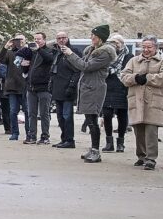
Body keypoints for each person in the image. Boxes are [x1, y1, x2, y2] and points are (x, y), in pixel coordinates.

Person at [60, 24, 116, 163]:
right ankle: (93, 148)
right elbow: (80, 65)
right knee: (90, 120)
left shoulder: (103, 53)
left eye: (94, 36)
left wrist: (70, 54)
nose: (91, 38)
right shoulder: (91, 50)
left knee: (92, 120)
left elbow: (86, 66)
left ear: (100, 38)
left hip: (95, 88)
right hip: (87, 87)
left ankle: (96, 151)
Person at [119, 36, 163, 170]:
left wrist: (147, 79)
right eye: (144, 47)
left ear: (155, 48)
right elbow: (124, 76)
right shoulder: (133, 61)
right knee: (139, 130)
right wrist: (136, 78)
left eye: (149, 47)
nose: (146, 49)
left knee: (151, 131)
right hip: (136, 100)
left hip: (154, 101)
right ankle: (141, 156)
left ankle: (151, 159)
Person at [101, 34, 133, 153]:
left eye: (117, 43)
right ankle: (109, 143)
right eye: (112, 43)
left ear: (122, 44)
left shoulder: (129, 56)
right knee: (107, 115)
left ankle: (121, 143)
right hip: (108, 88)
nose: (115, 45)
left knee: (122, 116)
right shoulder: (107, 55)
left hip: (122, 88)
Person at [23, 31, 56, 144]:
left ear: (44, 40)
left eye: (39, 39)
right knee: (31, 113)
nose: (36, 41)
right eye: (35, 39)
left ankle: (45, 136)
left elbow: (49, 59)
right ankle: (32, 135)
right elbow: (28, 69)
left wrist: (38, 50)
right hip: (31, 87)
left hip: (44, 87)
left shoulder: (49, 51)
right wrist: (23, 66)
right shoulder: (32, 53)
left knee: (44, 113)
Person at [49, 31, 80, 148]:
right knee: (60, 116)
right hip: (57, 88)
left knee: (67, 116)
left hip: (68, 88)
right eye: (59, 38)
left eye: (63, 38)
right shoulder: (57, 53)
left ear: (68, 38)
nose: (61, 40)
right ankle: (64, 138)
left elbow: (77, 70)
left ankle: (70, 140)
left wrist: (72, 86)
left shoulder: (73, 52)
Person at [0, 34, 27, 140]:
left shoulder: (29, 52)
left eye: (21, 40)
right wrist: (6, 46)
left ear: (25, 41)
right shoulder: (10, 53)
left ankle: (29, 133)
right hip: (12, 87)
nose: (18, 42)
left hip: (25, 87)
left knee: (28, 111)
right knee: (13, 111)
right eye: (16, 40)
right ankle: (14, 133)